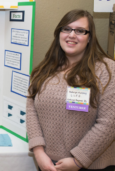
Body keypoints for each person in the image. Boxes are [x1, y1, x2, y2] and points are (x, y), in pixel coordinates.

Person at [27, 10, 115, 171]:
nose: (71, 35)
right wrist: (39, 152)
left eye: (80, 31)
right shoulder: (45, 68)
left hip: (90, 165)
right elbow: (31, 108)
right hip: (48, 163)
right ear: (59, 33)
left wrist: (78, 161)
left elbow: (109, 123)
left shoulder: (107, 69)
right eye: (66, 29)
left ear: (90, 37)